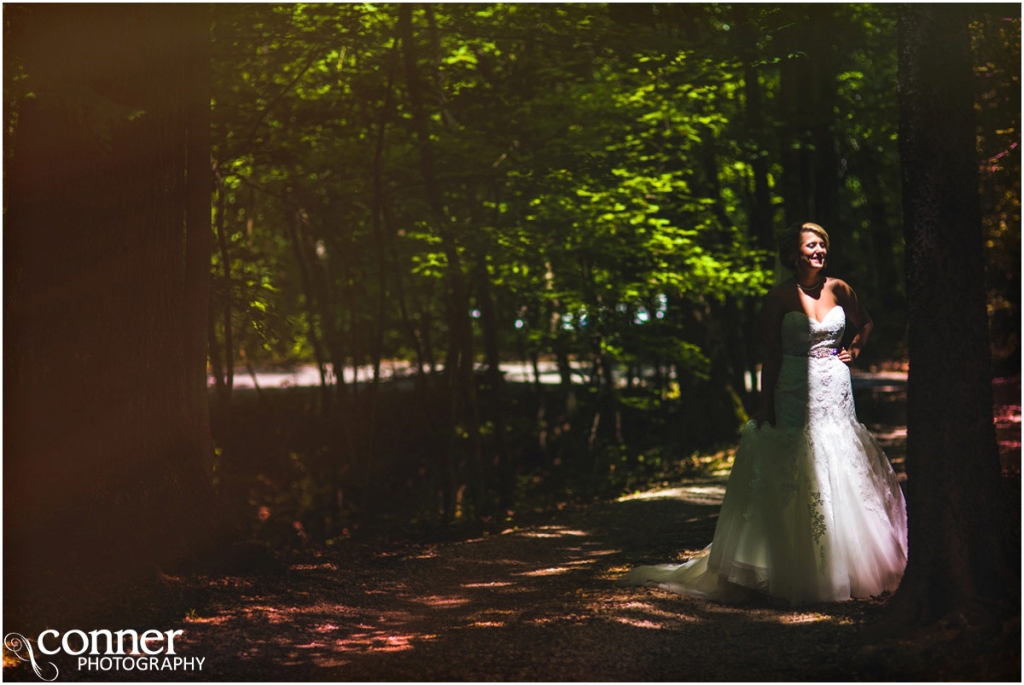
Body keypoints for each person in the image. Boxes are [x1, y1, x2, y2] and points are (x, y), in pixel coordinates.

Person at [622, 222, 908, 606]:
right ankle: (792, 564)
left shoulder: (840, 288)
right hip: (792, 387)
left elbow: (866, 321)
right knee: (797, 465)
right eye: (811, 245)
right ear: (794, 254)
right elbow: (771, 354)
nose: (819, 250)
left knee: (839, 458)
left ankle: (848, 563)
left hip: (836, 388)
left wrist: (854, 350)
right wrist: (764, 402)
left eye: (823, 244)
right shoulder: (778, 297)